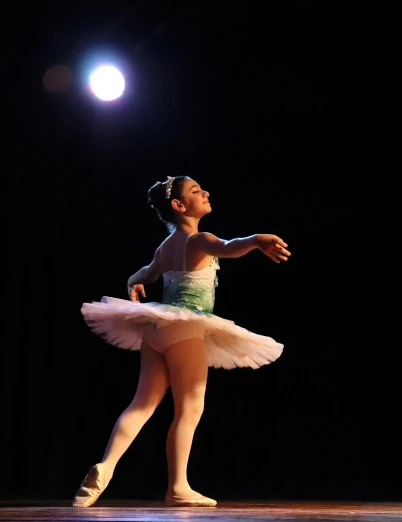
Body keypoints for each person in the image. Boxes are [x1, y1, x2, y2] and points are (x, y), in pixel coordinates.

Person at [73, 175, 290, 508]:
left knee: (142, 404)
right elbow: (229, 247)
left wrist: (133, 283)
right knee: (189, 408)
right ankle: (177, 487)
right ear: (179, 206)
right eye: (195, 191)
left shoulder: (165, 247)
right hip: (186, 329)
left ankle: (106, 466)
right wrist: (257, 239)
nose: (205, 192)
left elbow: (144, 273)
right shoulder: (198, 239)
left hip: (157, 330)